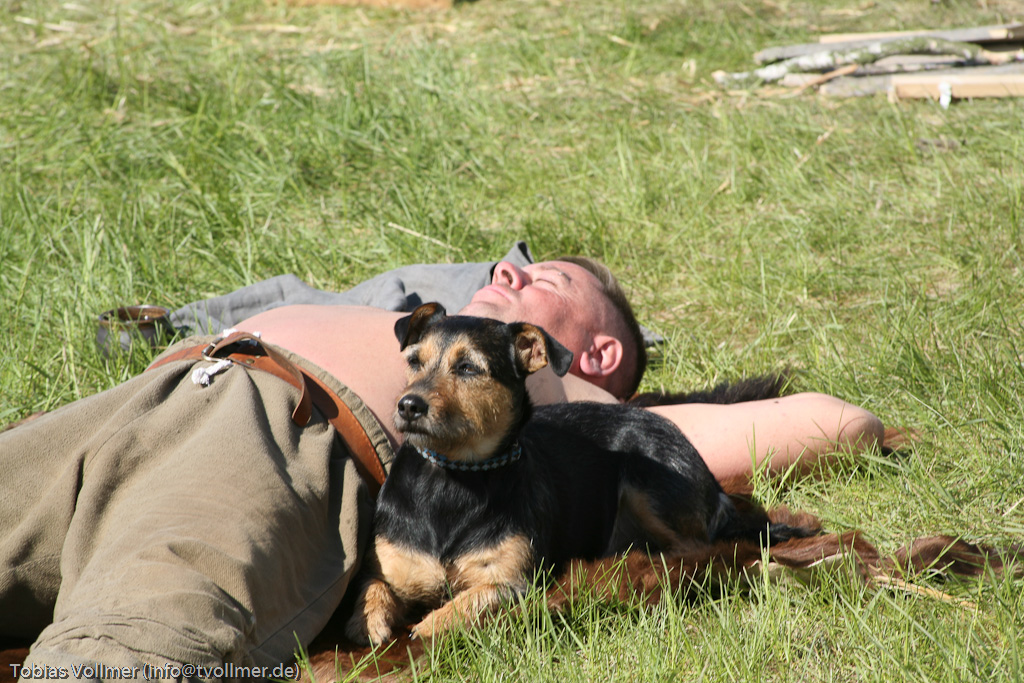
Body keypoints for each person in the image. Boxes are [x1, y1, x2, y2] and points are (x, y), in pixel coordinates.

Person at [0, 248, 882, 680]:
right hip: (146, 397)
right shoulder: (418, 318)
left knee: (122, 654)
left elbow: (838, 421)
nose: (508, 270)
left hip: (266, 435)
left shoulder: (578, 408)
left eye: (546, 281)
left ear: (593, 353)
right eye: (512, 266)